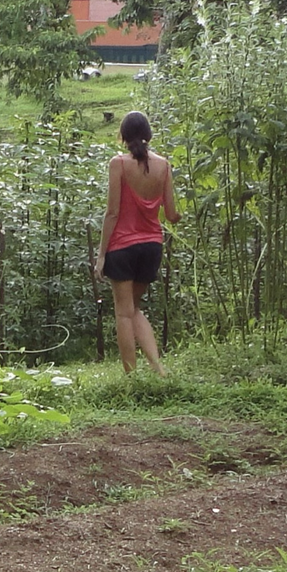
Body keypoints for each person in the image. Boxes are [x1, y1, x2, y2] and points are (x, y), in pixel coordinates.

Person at [93, 110, 176, 376]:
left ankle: (131, 376)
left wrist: (101, 255)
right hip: (152, 245)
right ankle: (157, 367)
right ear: (148, 135)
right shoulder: (164, 165)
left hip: (122, 246)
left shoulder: (118, 163)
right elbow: (172, 215)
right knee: (134, 308)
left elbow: (112, 212)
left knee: (123, 313)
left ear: (123, 137)